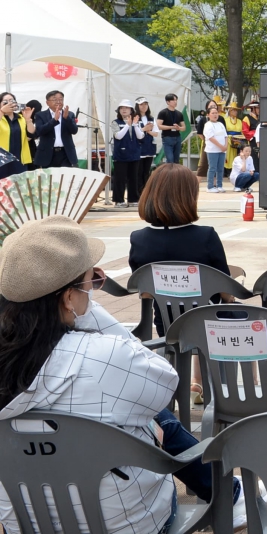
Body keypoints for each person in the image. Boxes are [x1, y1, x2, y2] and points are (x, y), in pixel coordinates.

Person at [0, 216, 250, 533]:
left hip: (23, 521)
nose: (93, 290)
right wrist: (88, 314)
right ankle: (231, 497)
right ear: (67, 298)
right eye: (91, 282)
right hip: (122, 522)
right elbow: (165, 382)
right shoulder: (108, 357)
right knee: (154, 415)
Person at [129, 163, 238, 403]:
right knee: (239, 313)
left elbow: (141, 288)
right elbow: (225, 288)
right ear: (189, 198)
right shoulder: (206, 237)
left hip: (167, 326)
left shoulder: (139, 240)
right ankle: (229, 390)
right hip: (209, 325)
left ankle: (186, 386)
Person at [33, 89, 78, 168]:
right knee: (48, 179)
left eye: (61, 99)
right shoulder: (40, 115)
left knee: (65, 178)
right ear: (47, 102)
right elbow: (40, 131)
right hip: (47, 153)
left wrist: (67, 118)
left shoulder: (69, 114)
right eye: (55, 99)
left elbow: (74, 131)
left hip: (65, 153)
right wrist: (54, 121)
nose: (58, 102)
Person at [111, 99, 143, 208]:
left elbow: (140, 136)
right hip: (120, 155)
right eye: (121, 108)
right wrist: (127, 125)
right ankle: (119, 200)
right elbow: (118, 136)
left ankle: (133, 199)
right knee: (120, 178)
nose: (124, 110)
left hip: (134, 154)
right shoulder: (115, 122)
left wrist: (134, 125)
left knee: (133, 178)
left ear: (131, 110)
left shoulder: (136, 122)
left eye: (126, 108)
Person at [0, 91, 35, 171]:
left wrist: (28, 120)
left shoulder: (20, 118)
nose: (9, 103)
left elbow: (30, 136)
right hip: (2, 161)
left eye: (12, 101)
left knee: (19, 183)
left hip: (19, 159)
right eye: (5, 102)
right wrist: (2, 112)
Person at [195, 99, 225, 178]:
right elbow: (199, 133)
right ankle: (196, 184)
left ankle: (215, 184)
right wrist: (206, 140)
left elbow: (225, 133)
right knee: (203, 164)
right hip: (208, 145)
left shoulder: (221, 119)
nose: (213, 107)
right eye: (211, 106)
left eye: (215, 106)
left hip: (220, 145)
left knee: (217, 165)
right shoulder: (203, 119)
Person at [203, 104, 228, 193]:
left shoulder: (220, 124)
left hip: (222, 150)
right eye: (213, 113)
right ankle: (210, 186)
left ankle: (219, 185)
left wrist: (225, 146)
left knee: (220, 168)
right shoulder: (207, 125)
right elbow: (211, 137)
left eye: (216, 113)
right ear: (208, 115)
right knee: (212, 167)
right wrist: (221, 146)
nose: (215, 115)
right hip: (212, 150)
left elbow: (225, 136)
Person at [156, 93, 186, 165]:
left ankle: (175, 176)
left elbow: (184, 127)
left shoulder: (179, 113)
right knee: (170, 160)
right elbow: (159, 126)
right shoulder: (163, 113)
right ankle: (169, 175)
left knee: (176, 160)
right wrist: (171, 127)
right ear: (168, 102)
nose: (175, 102)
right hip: (167, 138)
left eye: (176, 100)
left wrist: (179, 128)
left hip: (177, 137)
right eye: (173, 100)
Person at [135, 97, 157, 192]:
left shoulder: (151, 118)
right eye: (141, 105)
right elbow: (134, 132)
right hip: (138, 147)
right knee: (138, 172)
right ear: (137, 106)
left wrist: (148, 130)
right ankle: (139, 192)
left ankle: (146, 192)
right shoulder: (135, 118)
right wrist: (145, 129)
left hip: (149, 147)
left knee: (147, 171)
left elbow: (156, 133)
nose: (144, 107)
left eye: (145, 104)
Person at [223, 102, 245, 169]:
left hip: (238, 140)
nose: (235, 112)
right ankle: (228, 169)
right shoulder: (225, 120)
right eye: (233, 110)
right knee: (228, 155)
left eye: (236, 110)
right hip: (229, 140)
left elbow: (242, 131)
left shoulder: (239, 121)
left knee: (237, 154)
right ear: (230, 111)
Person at [242, 100, 260, 170]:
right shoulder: (247, 118)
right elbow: (245, 131)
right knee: (254, 156)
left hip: (261, 139)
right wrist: (255, 133)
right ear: (253, 109)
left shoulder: (261, 118)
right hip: (253, 140)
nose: (259, 110)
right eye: (257, 108)